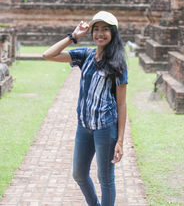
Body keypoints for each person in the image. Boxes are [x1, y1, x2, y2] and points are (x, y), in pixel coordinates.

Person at [42, 11, 128, 206]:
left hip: (105, 128)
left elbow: (122, 104)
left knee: (105, 178)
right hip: (84, 126)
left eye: (105, 29)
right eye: (96, 29)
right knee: (79, 174)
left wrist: (120, 141)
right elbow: (47, 54)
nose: (100, 33)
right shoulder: (86, 55)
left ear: (113, 33)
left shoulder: (118, 64)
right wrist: (73, 36)